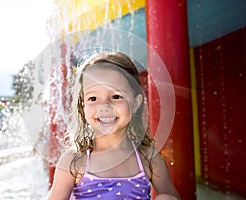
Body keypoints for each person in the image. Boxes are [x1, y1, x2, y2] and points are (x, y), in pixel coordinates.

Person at [47, 52, 180, 200]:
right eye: (93, 98)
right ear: (83, 107)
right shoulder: (73, 161)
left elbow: (172, 195)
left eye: (116, 96)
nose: (104, 106)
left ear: (135, 103)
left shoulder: (148, 157)